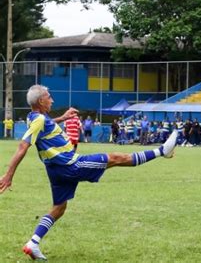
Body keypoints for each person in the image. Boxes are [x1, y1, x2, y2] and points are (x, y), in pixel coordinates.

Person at [0, 85, 178, 261]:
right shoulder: (39, 119)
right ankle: (162, 151)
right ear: (41, 101)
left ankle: (33, 243)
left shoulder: (34, 117)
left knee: (59, 208)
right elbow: (23, 146)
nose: (52, 99)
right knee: (115, 158)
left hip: (56, 170)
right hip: (70, 166)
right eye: (49, 96)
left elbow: (44, 126)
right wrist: (8, 175)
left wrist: (62, 117)